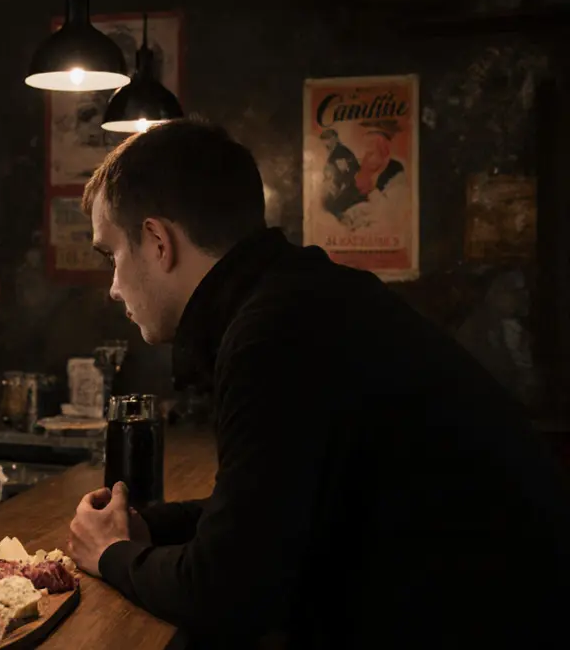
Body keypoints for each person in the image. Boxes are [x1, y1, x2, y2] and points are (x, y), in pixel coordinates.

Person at [66, 120, 570, 649]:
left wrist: (111, 554)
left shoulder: (271, 334)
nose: (113, 288)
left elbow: (228, 594)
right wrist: (150, 527)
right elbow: (267, 514)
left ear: (156, 241)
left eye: (112, 255)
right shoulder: (301, 296)